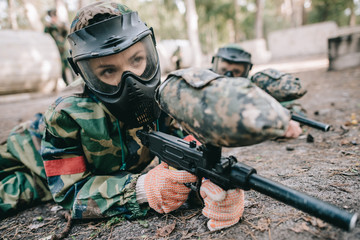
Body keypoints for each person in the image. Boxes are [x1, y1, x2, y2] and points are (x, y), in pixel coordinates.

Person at [0, 1, 243, 232]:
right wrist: (141, 190)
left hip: (47, 182)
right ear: (83, 73)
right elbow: (70, 191)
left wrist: (215, 188)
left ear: (151, 49)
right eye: (107, 70)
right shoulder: (66, 114)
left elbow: (189, 154)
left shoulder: (165, 98)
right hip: (25, 152)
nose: (131, 82)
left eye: (137, 59)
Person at [212, 44, 303, 139]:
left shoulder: (251, 87)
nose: (228, 76)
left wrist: (284, 121)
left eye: (236, 72)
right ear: (214, 64)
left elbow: (293, 108)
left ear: (245, 72)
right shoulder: (202, 82)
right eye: (223, 70)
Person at [44, 9, 72, 85]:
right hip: (56, 52)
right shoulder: (49, 27)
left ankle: (75, 83)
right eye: (51, 17)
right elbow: (45, 33)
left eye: (54, 16)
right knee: (62, 69)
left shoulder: (61, 24)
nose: (53, 18)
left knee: (71, 66)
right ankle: (67, 85)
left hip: (65, 49)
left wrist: (56, 24)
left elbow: (67, 31)